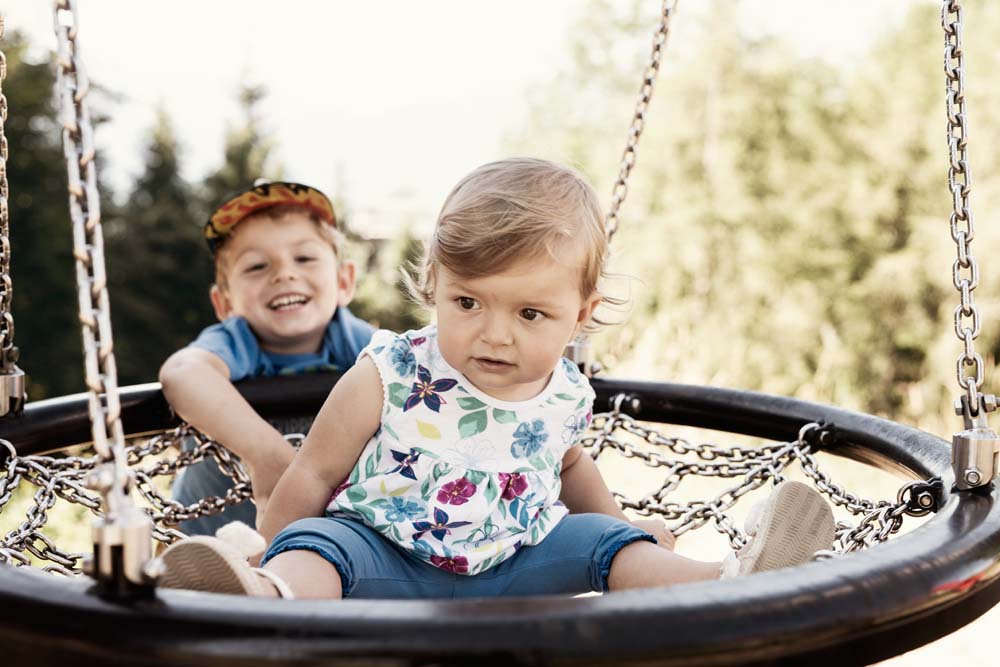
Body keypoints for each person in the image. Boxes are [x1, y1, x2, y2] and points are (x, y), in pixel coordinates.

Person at [158, 158, 835, 599]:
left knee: (605, 545)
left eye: (530, 311)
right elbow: (310, 474)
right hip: (383, 555)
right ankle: (262, 588)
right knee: (322, 548)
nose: (494, 333)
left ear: (581, 314)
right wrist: (282, 539)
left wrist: (623, 527)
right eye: (467, 302)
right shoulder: (390, 369)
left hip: (518, 559)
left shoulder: (567, 390)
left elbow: (572, 466)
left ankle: (726, 579)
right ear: (435, 288)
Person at [161, 181, 374, 536]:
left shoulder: (359, 344)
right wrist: (266, 455)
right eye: (257, 266)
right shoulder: (235, 342)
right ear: (224, 303)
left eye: (304, 258)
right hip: (207, 547)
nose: (284, 274)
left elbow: (414, 370)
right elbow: (182, 372)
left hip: (322, 550)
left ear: (344, 281)